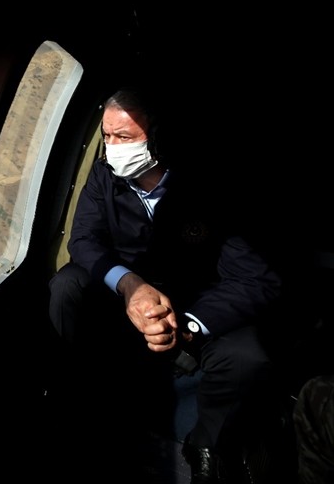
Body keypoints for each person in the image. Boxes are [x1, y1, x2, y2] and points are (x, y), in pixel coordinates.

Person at [47, 88, 283, 484]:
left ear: (158, 137)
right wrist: (128, 285)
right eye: (106, 137)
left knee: (250, 353)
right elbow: (84, 241)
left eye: (124, 137)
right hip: (128, 301)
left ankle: (208, 446)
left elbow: (257, 278)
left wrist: (188, 327)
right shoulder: (105, 177)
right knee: (67, 286)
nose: (112, 149)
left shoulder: (211, 187)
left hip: (197, 301)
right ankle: (77, 402)